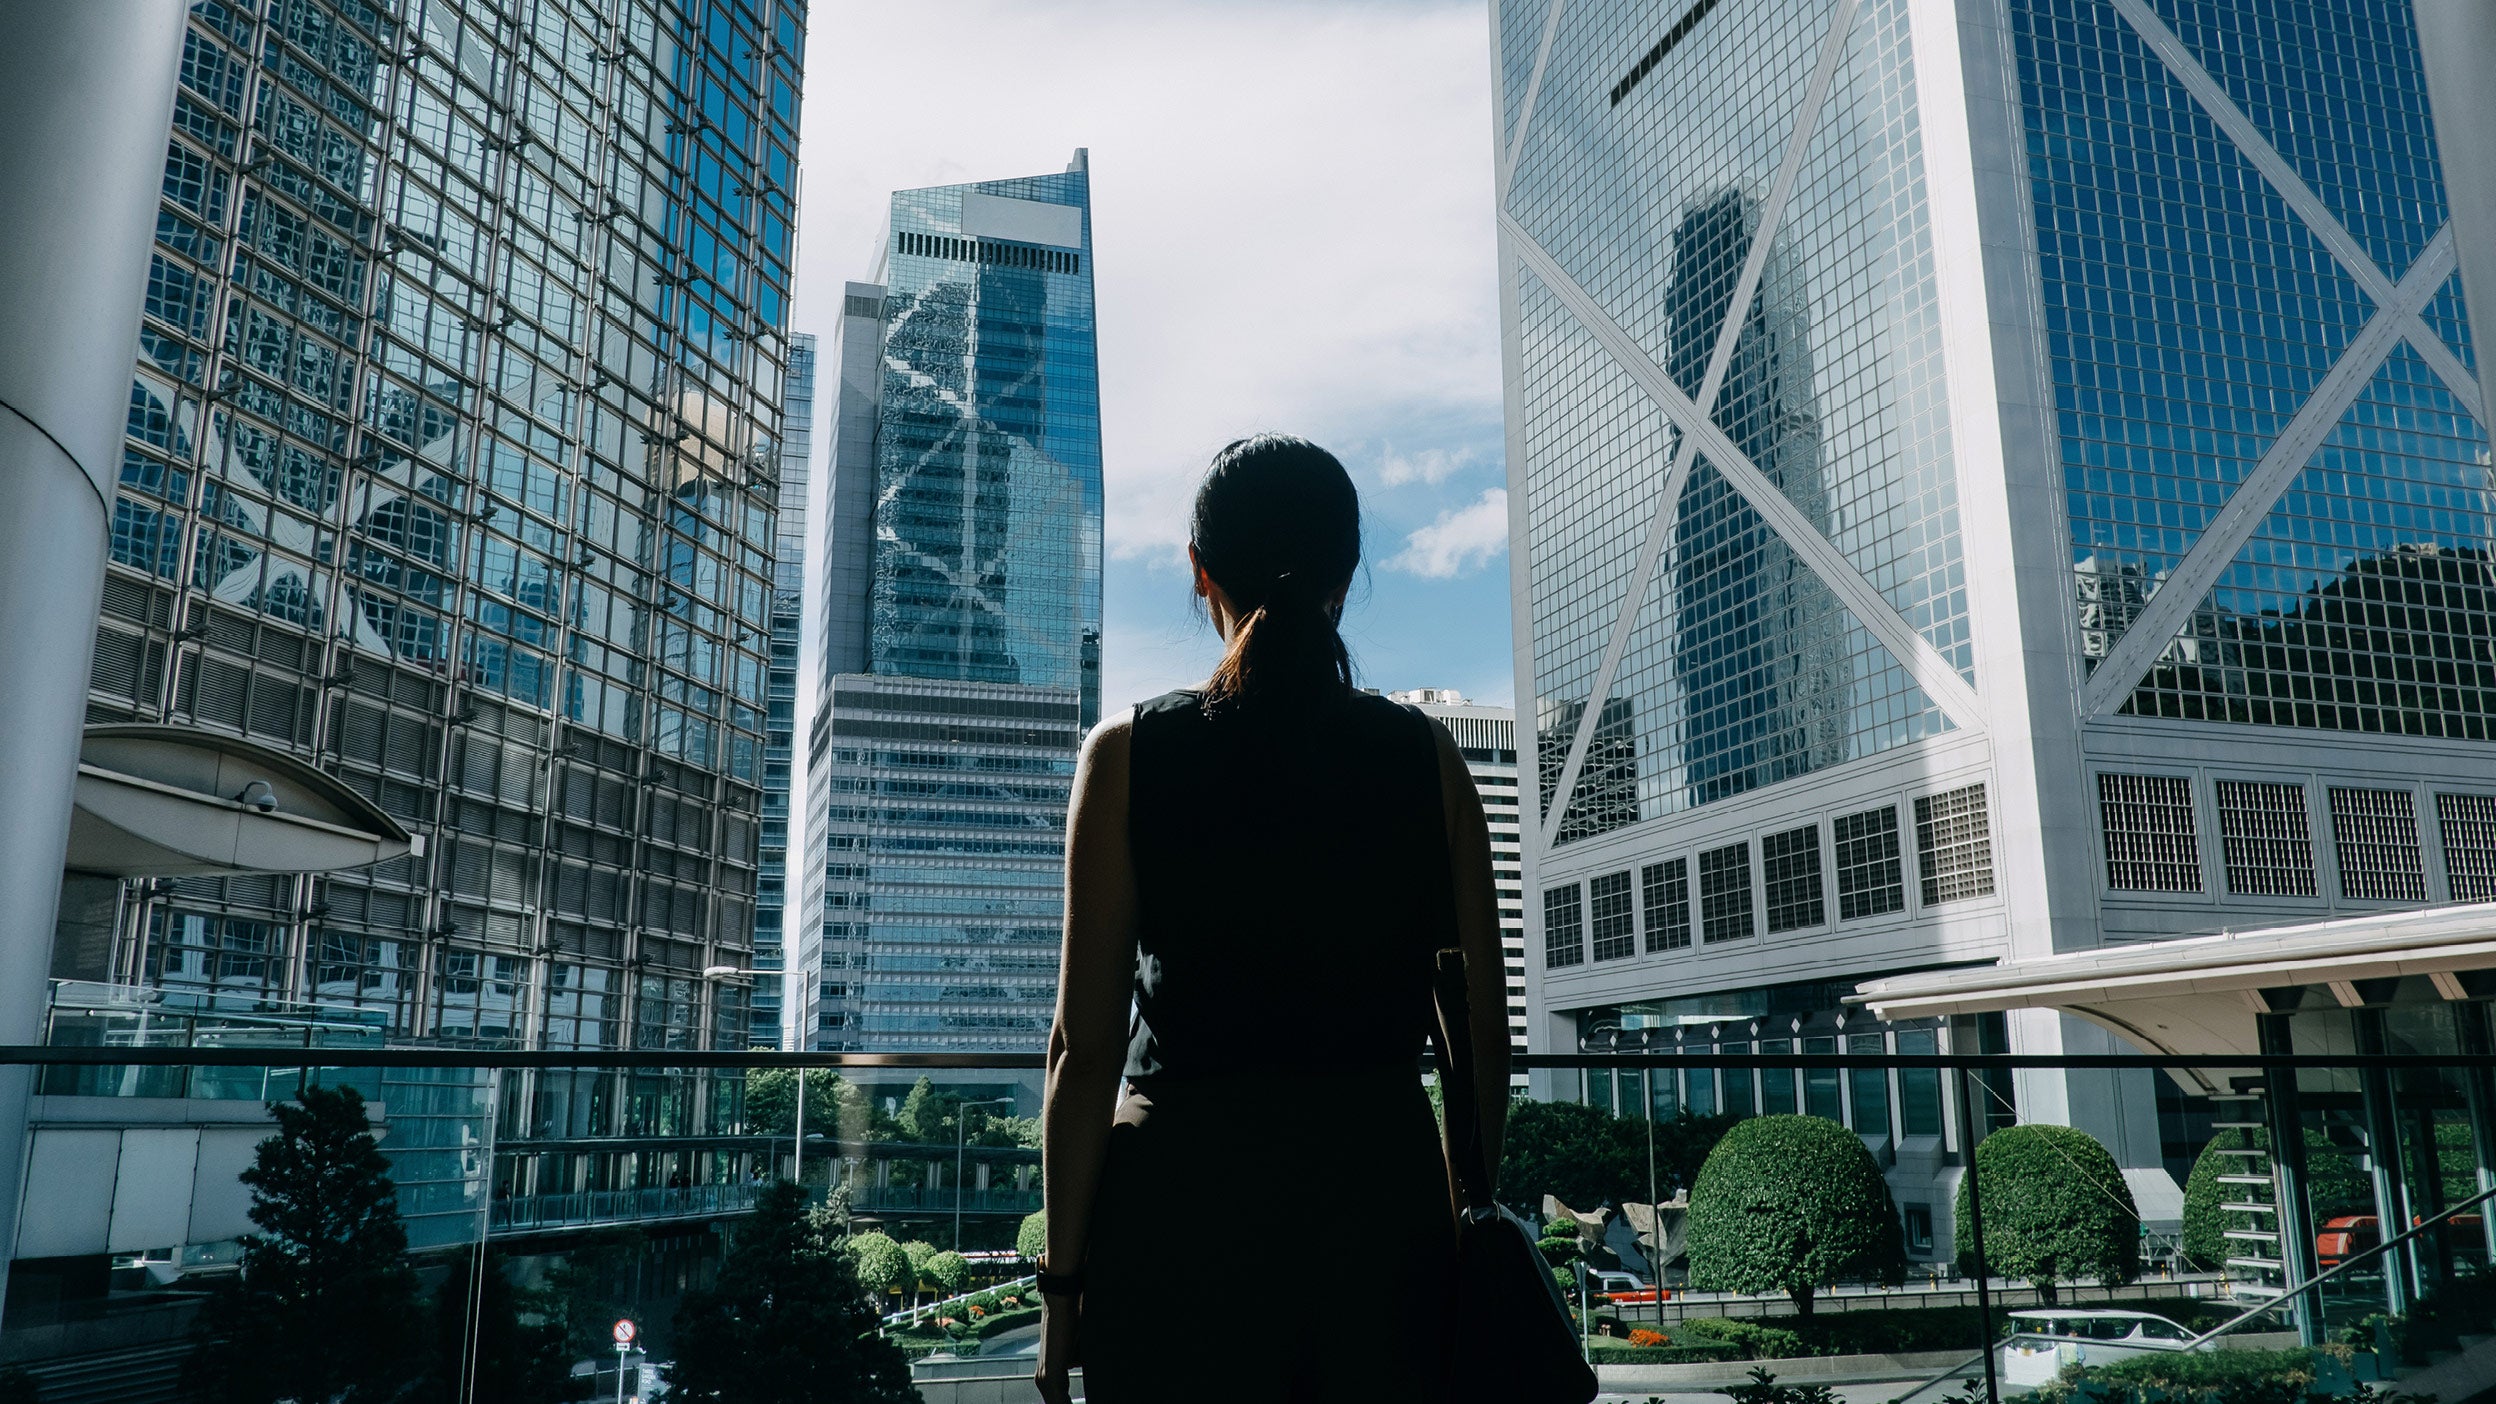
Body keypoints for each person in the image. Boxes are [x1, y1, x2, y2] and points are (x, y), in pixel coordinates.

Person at [1032, 435, 1510, 1403]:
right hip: (1380, 1224)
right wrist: (1465, 1219)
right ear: (1346, 579)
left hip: (1177, 1229)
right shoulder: (1430, 763)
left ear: (1199, 573)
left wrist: (1062, 1297)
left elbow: (1080, 1054)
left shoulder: (1126, 757)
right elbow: (1482, 1043)